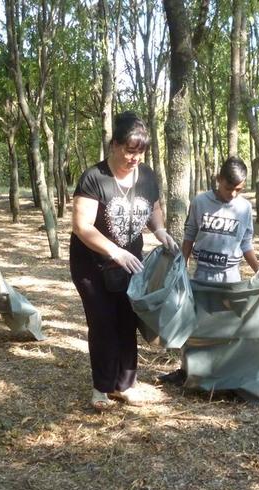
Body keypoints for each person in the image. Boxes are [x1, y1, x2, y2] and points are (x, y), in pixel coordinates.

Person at [70, 111, 177, 412]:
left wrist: (159, 230)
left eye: (140, 152)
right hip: (93, 265)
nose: (135, 158)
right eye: (130, 151)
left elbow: (153, 207)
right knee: (103, 323)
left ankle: (125, 385)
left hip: (131, 263)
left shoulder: (147, 176)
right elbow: (81, 226)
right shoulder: (95, 177)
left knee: (128, 321)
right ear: (114, 145)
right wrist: (113, 251)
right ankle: (101, 388)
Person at [158, 156, 259, 387]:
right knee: (195, 325)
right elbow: (189, 235)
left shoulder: (244, 208)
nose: (232, 194)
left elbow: (246, 242)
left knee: (227, 327)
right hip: (202, 276)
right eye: (228, 187)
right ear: (218, 179)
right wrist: (181, 267)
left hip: (230, 277)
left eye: (238, 189)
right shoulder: (200, 202)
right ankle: (187, 372)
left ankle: (223, 377)